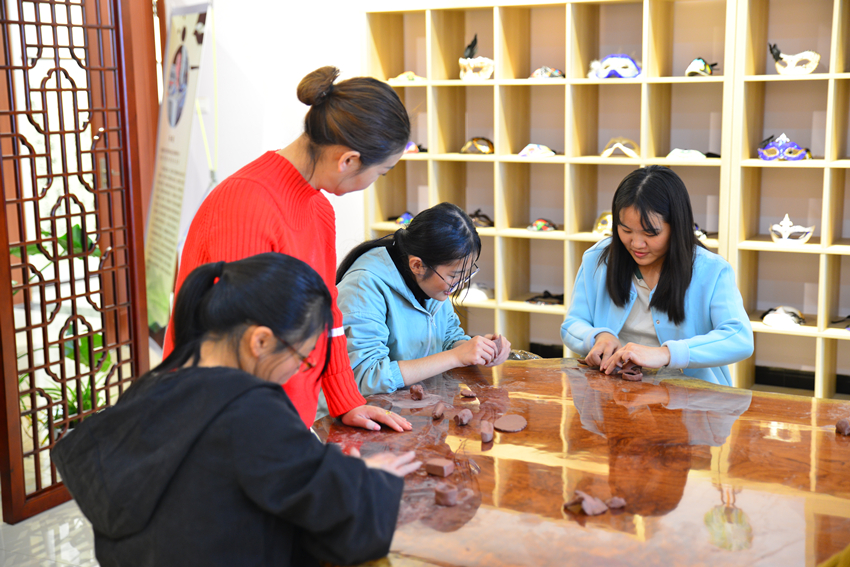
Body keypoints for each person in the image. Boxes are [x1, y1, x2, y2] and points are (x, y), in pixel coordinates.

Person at [52, 253, 421, 567]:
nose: (297, 370)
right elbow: (337, 527)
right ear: (260, 341)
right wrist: (367, 481)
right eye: (302, 357)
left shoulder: (148, 388)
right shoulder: (249, 408)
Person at [163, 66, 412, 432]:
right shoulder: (245, 203)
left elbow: (328, 314)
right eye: (381, 172)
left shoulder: (319, 209)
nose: (375, 181)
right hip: (228, 424)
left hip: (284, 419)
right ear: (348, 160)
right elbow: (240, 348)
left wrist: (347, 401)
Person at [561, 166, 753, 386]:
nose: (636, 244)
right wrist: (598, 336)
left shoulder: (711, 270)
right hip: (612, 390)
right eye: (626, 230)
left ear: (676, 226)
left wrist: (666, 354)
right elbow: (572, 324)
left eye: (650, 233)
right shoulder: (597, 259)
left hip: (689, 397)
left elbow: (740, 338)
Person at [336, 203, 511, 396]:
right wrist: (456, 356)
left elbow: (447, 339)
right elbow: (366, 377)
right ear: (417, 266)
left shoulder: (431, 283)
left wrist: (478, 350)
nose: (459, 284)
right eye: (454, 275)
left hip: (417, 405)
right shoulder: (363, 288)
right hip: (367, 410)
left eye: (465, 274)